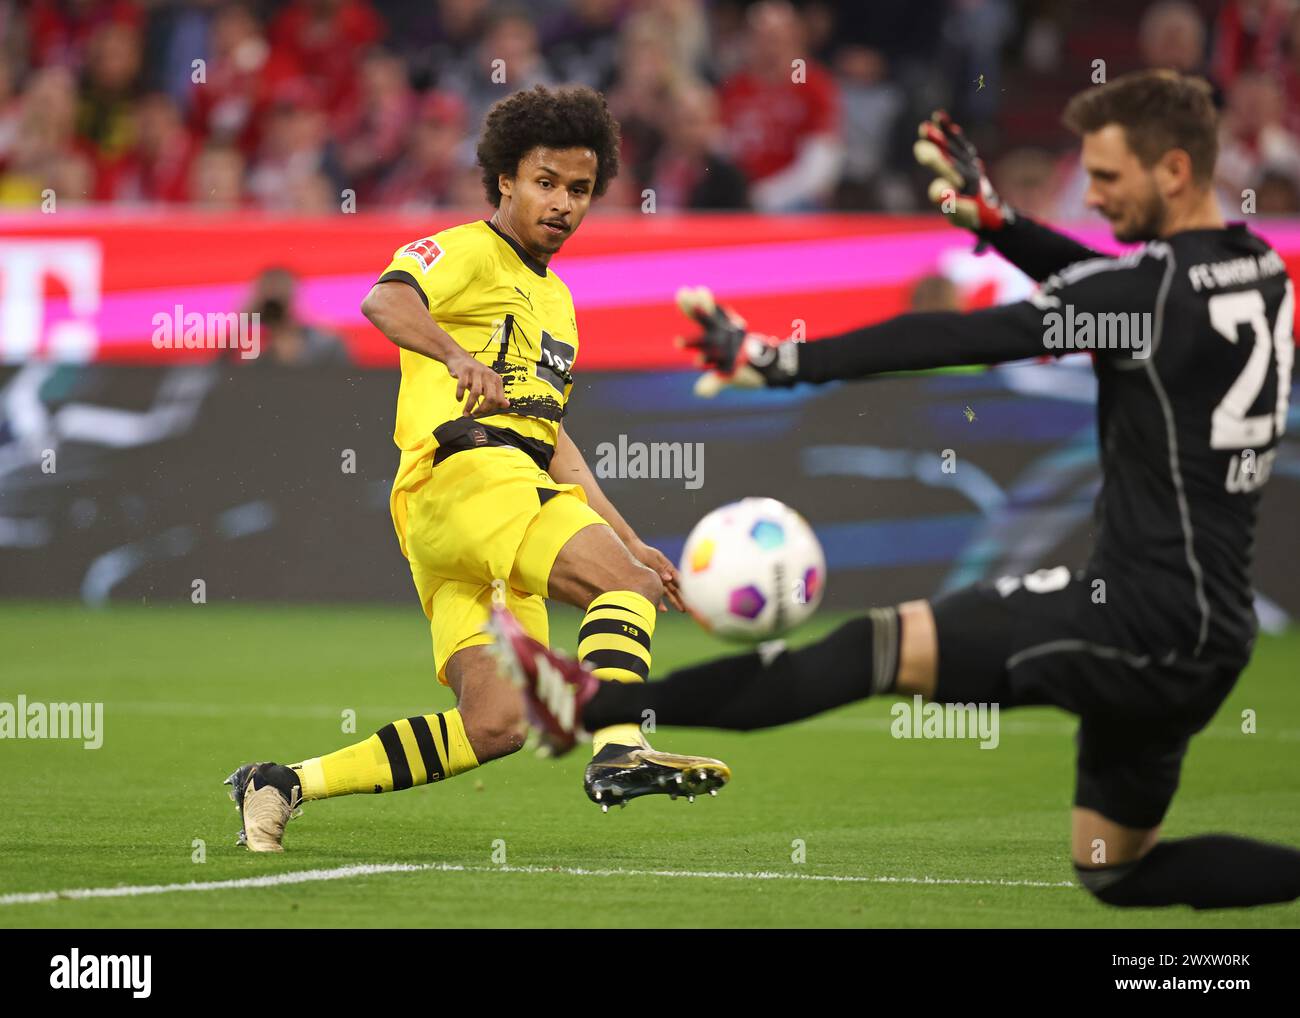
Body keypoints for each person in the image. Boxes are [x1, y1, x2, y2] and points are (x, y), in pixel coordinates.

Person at [495, 71, 1300, 909]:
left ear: (1172, 171)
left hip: (1137, 617)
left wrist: (782, 360)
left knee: (866, 652)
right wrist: (1001, 225)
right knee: (1115, 870)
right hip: (1208, 627)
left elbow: (964, 333)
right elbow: (1112, 291)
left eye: (1107, 179)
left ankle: (593, 704)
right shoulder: (1257, 269)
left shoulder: (1142, 294)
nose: (1091, 197)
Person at [224, 84, 728, 852]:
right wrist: (456, 353)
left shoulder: (557, 304)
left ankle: (282, 782)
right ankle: (620, 748)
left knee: (496, 724)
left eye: (580, 189)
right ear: (505, 180)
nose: (562, 203)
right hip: (466, 479)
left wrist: (632, 543)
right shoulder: (467, 250)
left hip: (477, 509)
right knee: (618, 595)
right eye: (545, 183)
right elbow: (383, 302)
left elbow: (554, 444)